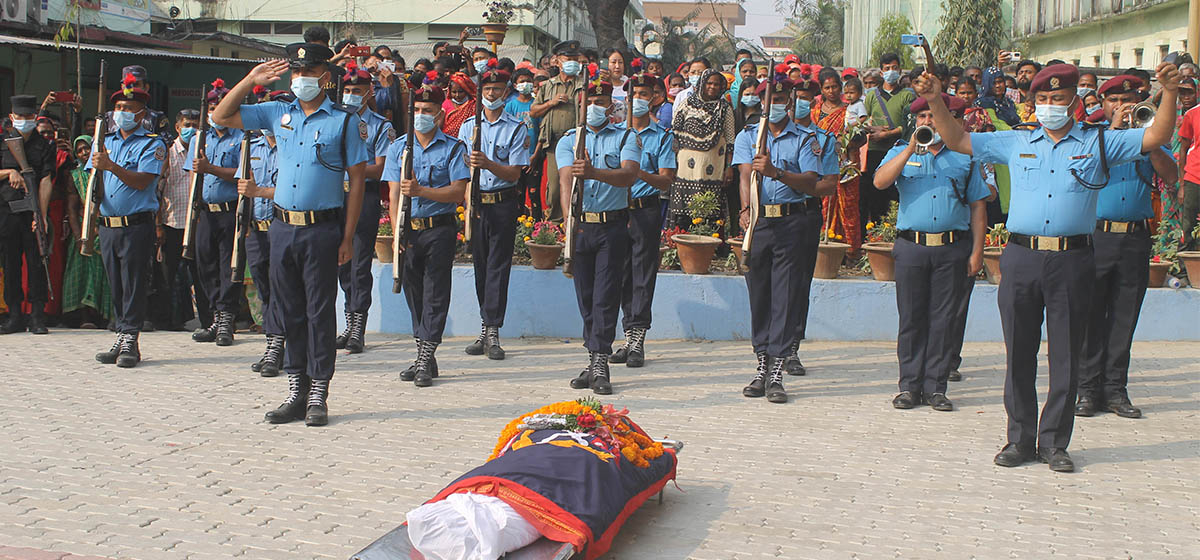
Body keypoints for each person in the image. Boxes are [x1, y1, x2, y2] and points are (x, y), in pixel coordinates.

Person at [916, 61, 1181, 472]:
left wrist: (1168, 94)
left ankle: (1055, 442)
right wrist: (935, 99)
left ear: (1073, 101)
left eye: (1057, 99)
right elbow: (959, 139)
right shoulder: (1015, 141)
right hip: (1022, 257)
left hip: (1073, 259)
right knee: (1019, 351)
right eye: (1041, 99)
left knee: (1066, 355)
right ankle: (1019, 440)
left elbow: (1158, 135)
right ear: (1031, 102)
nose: (1049, 106)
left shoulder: (1099, 141)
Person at [213, 43, 369, 426]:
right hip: (281, 227)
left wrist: (347, 237)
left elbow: (358, 182)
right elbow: (221, 115)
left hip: (322, 228)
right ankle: (297, 388)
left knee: (319, 312)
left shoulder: (344, 121)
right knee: (289, 311)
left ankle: (319, 391)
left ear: (325, 77)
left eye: (309, 71)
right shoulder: (277, 112)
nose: (301, 79)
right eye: (296, 72)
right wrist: (251, 79)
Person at [872, 94, 989, 412]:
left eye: (932, 116)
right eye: (921, 117)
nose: (927, 121)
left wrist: (977, 252)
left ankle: (936, 387)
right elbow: (880, 182)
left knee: (943, 320)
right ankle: (909, 386)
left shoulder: (964, 156)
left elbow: (978, 207)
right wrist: (911, 147)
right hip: (912, 248)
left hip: (952, 248)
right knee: (911, 319)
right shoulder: (901, 152)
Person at [1077, 75, 1178, 420]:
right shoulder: (1091, 137)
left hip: (1134, 237)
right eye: (1114, 101)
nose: (1122, 106)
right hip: (1096, 236)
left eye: (1127, 100)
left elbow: (1171, 173)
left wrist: (1142, 142)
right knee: (1091, 314)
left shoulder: (1147, 137)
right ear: (1102, 105)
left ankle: (1115, 389)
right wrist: (1114, 133)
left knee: (1125, 315)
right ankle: (1088, 389)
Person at [733, 73, 837, 404]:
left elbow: (812, 182)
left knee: (786, 294)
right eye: (768, 101)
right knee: (759, 294)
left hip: (793, 222)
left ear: (788, 103)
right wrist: (746, 209)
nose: (773, 106)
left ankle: (777, 368)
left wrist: (776, 172)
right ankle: (761, 363)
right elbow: (744, 176)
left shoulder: (807, 138)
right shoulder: (748, 135)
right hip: (761, 223)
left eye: (779, 101)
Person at [557, 78, 641, 395]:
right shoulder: (569, 140)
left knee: (606, 296)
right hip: (581, 226)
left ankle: (600, 360)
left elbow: (629, 174)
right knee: (586, 297)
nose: (594, 106)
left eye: (601, 100)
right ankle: (594, 356)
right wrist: (569, 220)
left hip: (612, 226)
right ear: (581, 103)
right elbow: (566, 182)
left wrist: (595, 173)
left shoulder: (625, 136)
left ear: (609, 105)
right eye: (589, 101)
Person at [384, 79, 470, 387]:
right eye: (417, 109)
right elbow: (394, 194)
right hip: (410, 231)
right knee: (414, 295)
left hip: (439, 230)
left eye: (428, 110)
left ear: (439, 115)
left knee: (435, 294)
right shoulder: (398, 148)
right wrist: (397, 233)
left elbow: (458, 192)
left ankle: (424, 356)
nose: (422, 114)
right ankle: (425, 354)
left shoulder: (453, 148)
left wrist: (423, 191)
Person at [86, 86, 166, 367]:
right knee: (116, 285)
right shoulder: (104, 142)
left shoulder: (152, 144)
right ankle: (121, 333)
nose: (122, 113)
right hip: (108, 225)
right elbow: (93, 184)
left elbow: (142, 181)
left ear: (142, 113)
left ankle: (131, 338)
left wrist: (111, 166)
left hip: (135, 225)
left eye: (129, 109)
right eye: (118, 108)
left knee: (133, 282)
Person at [459, 65, 529, 360]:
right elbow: (461, 171)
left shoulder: (515, 127)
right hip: (477, 203)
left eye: (496, 89)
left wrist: (487, 164)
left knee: (498, 268)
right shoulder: (467, 127)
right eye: (486, 90)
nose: (491, 94)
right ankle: (484, 326)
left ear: (505, 91)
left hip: (502, 202)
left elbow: (514, 173)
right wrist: (466, 206)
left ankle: (493, 329)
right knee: (480, 267)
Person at [610, 72, 675, 369]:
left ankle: (638, 339)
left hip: (645, 209)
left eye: (644, 94)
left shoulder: (662, 136)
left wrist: (637, 173)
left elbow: (665, 181)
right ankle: (626, 336)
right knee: (620, 274)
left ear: (654, 99)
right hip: (615, 210)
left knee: (642, 274)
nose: (637, 99)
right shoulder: (614, 134)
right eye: (633, 94)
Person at [331, 64, 395, 354]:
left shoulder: (381, 126)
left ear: (369, 92)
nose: (351, 95)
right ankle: (348, 322)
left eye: (357, 91)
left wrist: (350, 168)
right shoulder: (334, 121)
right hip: (334, 196)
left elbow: (380, 167)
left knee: (358, 264)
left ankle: (359, 327)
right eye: (347, 90)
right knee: (340, 263)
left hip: (364, 195)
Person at [783, 75, 840, 377]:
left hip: (804, 215)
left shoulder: (824, 139)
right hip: (771, 216)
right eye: (799, 96)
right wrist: (806, 182)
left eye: (810, 97)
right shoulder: (769, 133)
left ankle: (791, 347)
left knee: (798, 283)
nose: (803, 102)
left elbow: (829, 185)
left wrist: (795, 183)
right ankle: (770, 348)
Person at [184, 79, 244, 347]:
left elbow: (244, 174)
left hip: (231, 210)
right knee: (205, 264)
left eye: (219, 105)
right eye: (211, 106)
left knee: (227, 265)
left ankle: (226, 320)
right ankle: (213, 317)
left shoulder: (242, 137)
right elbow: (192, 176)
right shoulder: (200, 138)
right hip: (205, 211)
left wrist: (213, 170)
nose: (214, 110)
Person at [0, 95, 56, 335]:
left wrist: (40, 215)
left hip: (31, 212)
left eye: (28, 116)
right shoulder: (3, 142)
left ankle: (36, 316)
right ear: (12, 117)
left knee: (36, 262)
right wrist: (9, 172)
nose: (24, 120)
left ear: (35, 117)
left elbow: (45, 181)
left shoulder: (44, 146)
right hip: (7, 211)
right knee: (10, 263)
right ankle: (14, 315)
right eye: (20, 117)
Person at [235, 122, 284, 377]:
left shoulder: (291, 147)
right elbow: (243, 189)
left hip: (282, 226)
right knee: (263, 287)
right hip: (255, 228)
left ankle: (279, 344)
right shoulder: (251, 146)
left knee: (281, 288)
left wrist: (260, 191)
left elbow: (295, 189)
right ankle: (272, 342)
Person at [156, 109, 209, 332]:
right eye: (187, 125)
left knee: (202, 275)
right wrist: (158, 224)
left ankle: (208, 321)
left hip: (198, 224)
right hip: (172, 222)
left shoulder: (204, 153)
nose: (192, 129)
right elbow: (157, 190)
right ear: (178, 127)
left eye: (196, 125)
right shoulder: (166, 154)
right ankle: (167, 320)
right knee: (168, 274)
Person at [670, 69, 734, 227]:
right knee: (683, 216)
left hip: (712, 169)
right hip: (685, 169)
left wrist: (729, 167)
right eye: (709, 83)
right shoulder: (687, 104)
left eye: (716, 84)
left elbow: (730, 140)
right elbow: (675, 132)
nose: (712, 87)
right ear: (702, 84)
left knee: (710, 214)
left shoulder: (724, 109)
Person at [530, 40, 586, 221]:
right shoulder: (548, 86)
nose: (572, 62)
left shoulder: (584, 84)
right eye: (567, 58)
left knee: (577, 186)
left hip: (578, 143)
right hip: (554, 144)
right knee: (554, 188)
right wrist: (551, 103)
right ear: (557, 61)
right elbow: (533, 111)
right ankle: (555, 226)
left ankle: (575, 224)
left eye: (575, 59)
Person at [861, 53, 915, 230]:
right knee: (875, 194)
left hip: (899, 150)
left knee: (896, 195)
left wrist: (889, 133)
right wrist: (872, 130)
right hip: (874, 151)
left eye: (894, 67)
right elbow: (864, 121)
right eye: (887, 68)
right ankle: (876, 232)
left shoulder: (907, 96)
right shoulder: (871, 96)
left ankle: (896, 231)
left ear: (899, 69)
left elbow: (910, 125)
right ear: (881, 71)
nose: (891, 71)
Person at [63, 134, 111, 328]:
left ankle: (106, 316)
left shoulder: (107, 172)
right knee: (82, 274)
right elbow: (72, 209)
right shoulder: (75, 176)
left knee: (105, 274)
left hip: (106, 227)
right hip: (84, 229)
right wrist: (79, 235)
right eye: (80, 150)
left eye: (87, 148)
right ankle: (85, 318)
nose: (84, 153)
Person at [813, 68, 863, 256]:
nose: (832, 91)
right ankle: (826, 249)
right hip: (822, 166)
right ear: (821, 89)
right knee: (825, 206)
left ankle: (851, 251)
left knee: (849, 207)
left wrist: (847, 141)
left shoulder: (850, 109)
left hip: (846, 166)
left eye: (835, 87)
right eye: (827, 87)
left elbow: (862, 136)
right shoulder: (815, 111)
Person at [505, 68, 543, 218]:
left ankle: (537, 225)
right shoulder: (510, 106)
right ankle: (519, 227)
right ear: (515, 85)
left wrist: (535, 155)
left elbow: (543, 132)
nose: (525, 84)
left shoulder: (537, 105)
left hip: (534, 156)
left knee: (534, 194)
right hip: (515, 159)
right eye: (522, 82)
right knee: (517, 194)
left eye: (528, 81)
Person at [104, 66, 171, 139]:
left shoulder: (156, 118)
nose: (131, 88)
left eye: (136, 84)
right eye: (128, 84)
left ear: (146, 88)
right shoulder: (109, 117)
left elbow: (165, 146)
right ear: (122, 87)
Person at [441, 72, 476, 137]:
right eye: (454, 92)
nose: (457, 95)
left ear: (466, 90)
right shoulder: (446, 104)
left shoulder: (473, 105)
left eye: (460, 92)